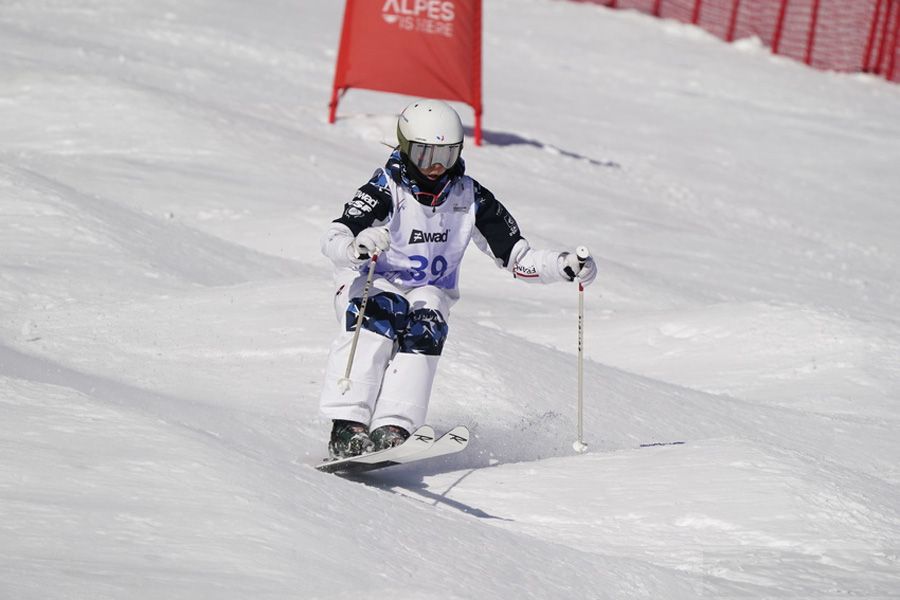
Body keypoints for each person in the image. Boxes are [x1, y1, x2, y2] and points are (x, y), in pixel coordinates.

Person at [318, 98, 597, 459]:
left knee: (428, 319)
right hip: (368, 283)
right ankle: (347, 425)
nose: (435, 167)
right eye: (424, 155)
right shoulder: (387, 188)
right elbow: (333, 236)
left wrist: (562, 266)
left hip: (427, 290)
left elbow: (517, 258)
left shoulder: (469, 197)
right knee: (382, 311)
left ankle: (394, 426)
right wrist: (356, 246)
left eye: (446, 156)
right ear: (405, 149)